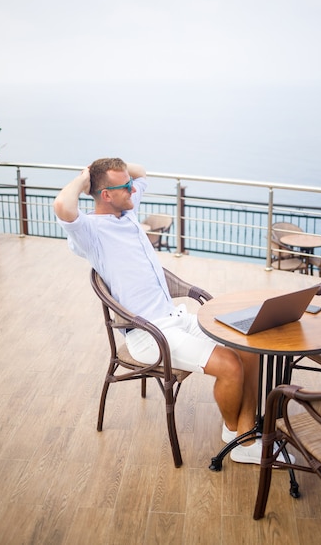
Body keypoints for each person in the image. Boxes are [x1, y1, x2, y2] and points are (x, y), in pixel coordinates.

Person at [54, 157, 265, 464]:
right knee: (230, 366)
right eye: (125, 187)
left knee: (248, 346)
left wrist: (115, 172)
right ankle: (241, 442)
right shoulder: (91, 233)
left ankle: (242, 434)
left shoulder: (126, 211)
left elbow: (141, 172)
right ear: (105, 195)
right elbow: (62, 205)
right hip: (148, 334)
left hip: (174, 318)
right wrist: (84, 177)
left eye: (129, 185)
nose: (133, 189)